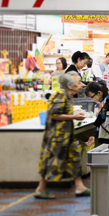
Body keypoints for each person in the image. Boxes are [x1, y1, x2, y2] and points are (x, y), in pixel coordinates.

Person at [35, 71, 91, 199]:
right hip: (57, 137)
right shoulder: (60, 95)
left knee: (74, 159)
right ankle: (40, 189)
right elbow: (54, 114)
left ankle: (79, 187)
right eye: (78, 83)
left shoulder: (67, 95)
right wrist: (74, 116)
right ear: (70, 86)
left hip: (65, 136)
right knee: (51, 162)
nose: (82, 85)